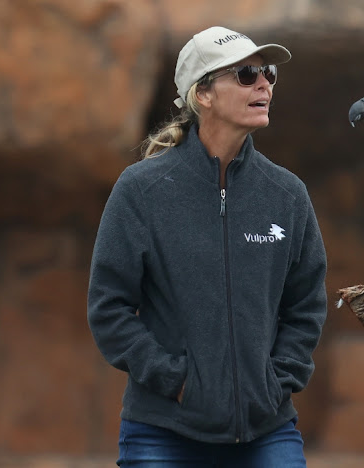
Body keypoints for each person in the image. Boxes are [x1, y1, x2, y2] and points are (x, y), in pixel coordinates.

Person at [87, 26, 328, 467]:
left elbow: (306, 305)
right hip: (164, 430)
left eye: (268, 73)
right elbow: (109, 307)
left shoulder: (287, 195)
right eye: (246, 74)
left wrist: (274, 383)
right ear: (203, 95)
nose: (264, 84)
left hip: (265, 430)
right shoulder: (141, 191)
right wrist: (176, 381)